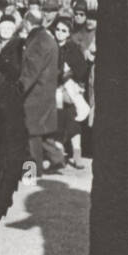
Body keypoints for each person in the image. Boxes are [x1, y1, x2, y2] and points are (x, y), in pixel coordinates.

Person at [19, 0, 61, 175]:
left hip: (34, 96)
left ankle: (31, 174)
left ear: (28, 23)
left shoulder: (37, 42)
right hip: (45, 93)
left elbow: (30, 71)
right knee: (42, 133)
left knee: (31, 136)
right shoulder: (47, 39)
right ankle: (58, 159)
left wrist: (18, 89)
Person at [52, 18, 89, 169]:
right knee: (58, 118)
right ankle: (58, 155)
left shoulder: (72, 48)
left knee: (73, 117)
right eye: (58, 30)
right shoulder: (51, 46)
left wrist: (70, 76)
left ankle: (77, 154)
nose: (60, 33)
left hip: (70, 88)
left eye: (64, 31)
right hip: (54, 89)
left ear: (69, 33)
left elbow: (81, 70)